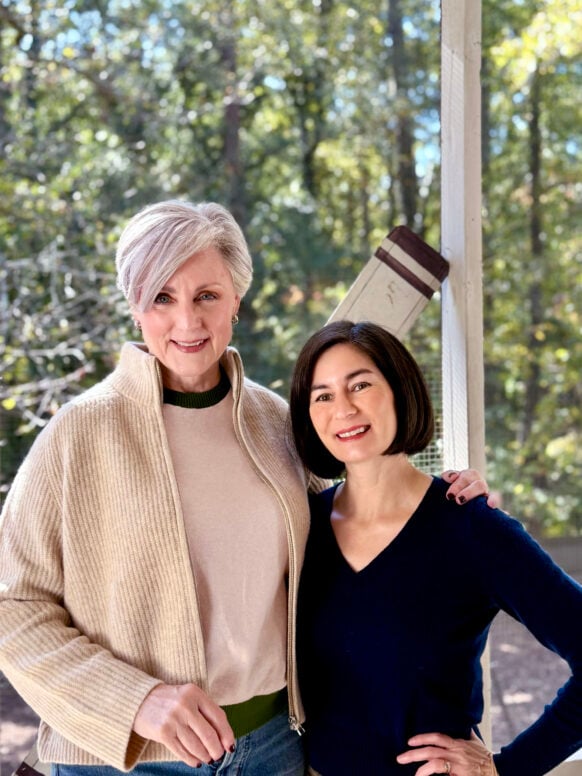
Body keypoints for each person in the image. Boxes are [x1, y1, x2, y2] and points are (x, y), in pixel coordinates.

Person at [0, 201, 491, 775]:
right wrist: (135, 701)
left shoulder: (279, 424)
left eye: (207, 295)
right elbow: (14, 607)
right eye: (163, 297)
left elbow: (361, 520)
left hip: (273, 750)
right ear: (136, 307)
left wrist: (445, 500)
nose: (188, 321)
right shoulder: (77, 436)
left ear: (236, 298)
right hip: (125, 762)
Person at [289, 320, 582, 776]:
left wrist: (506, 768)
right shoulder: (301, 528)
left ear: (400, 392)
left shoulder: (472, 529)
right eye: (322, 395)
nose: (342, 408)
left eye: (360, 385)